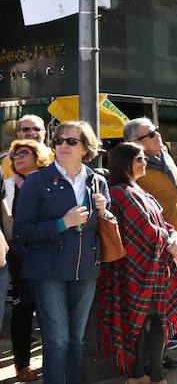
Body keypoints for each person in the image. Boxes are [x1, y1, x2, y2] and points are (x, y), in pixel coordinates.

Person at [13, 121, 110, 384]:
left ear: (86, 148)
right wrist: (61, 224)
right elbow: (21, 231)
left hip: (86, 270)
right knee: (57, 340)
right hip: (48, 271)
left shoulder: (97, 182)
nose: (63, 145)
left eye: (71, 141)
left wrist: (105, 212)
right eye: (58, 140)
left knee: (77, 339)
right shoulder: (37, 181)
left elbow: (106, 229)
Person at [97, 143, 177, 384]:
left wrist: (175, 236)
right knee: (140, 322)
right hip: (135, 268)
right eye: (139, 159)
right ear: (124, 162)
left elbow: (162, 223)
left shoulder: (136, 188)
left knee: (154, 320)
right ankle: (143, 375)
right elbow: (146, 229)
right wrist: (171, 241)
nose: (144, 162)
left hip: (152, 266)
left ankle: (148, 374)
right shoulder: (120, 192)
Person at [123, 118, 177, 352]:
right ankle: (157, 350)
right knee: (156, 300)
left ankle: (169, 337)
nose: (157, 136)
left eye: (156, 131)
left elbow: (176, 189)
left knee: (172, 292)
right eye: (150, 134)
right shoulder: (134, 167)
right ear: (136, 142)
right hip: (155, 243)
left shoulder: (165, 156)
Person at [5, 139, 53, 382]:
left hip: (48, 255)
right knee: (22, 311)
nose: (17, 158)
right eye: (14, 155)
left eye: (23, 153)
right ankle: (22, 364)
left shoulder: (50, 182)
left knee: (49, 313)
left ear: (39, 155)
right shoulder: (8, 186)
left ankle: (52, 363)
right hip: (19, 258)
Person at [1, 115, 49, 179]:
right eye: (26, 130)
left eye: (36, 129)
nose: (31, 133)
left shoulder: (56, 156)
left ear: (44, 133)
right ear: (18, 134)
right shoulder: (7, 161)